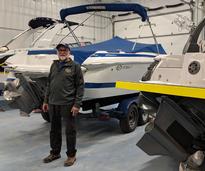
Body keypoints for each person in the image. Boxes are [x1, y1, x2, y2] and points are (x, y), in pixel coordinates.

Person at [42, 43, 84, 166]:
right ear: (58, 52)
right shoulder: (54, 65)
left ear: (69, 52)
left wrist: (77, 104)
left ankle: (71, 155)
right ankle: (55, 153)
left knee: (70, 131)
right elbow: (49, 84)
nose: (62, 52)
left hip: (68, 103)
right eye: (60, 50)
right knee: (54, 130)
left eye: (64, 50)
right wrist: (45, 101)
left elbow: (80, 87)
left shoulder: (75, 66)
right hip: (53, 103)